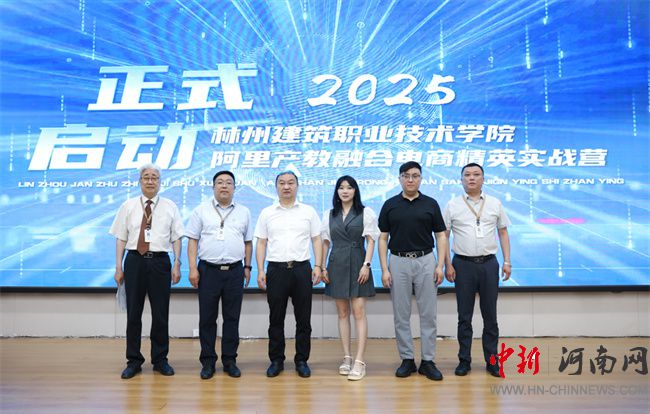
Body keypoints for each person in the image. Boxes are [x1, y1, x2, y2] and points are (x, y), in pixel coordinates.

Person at [109, 163, 184, 379]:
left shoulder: (170, 206)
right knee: (134, 313)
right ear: (140, 181)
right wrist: (118, 266)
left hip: (160, 262)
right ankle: (133, 361)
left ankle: (160, 360)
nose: (150, 181)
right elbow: (121, 238)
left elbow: (177, 237)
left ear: (160, 182)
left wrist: (177, 263)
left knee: (161, 314)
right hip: (135, 261)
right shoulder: (128, 205)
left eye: (154, 178)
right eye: (146, 177)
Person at [378, 161, 448, 381]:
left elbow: (441, 236)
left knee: (429, 314)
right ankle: (407, 359)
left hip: (426, 260)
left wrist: (440, 265)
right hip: (398, 262)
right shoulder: (390, 204)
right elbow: (383, 238)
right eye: (406, 175)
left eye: (415, 176)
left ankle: (428, 361)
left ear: (421, 178)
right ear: (400, 178)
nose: (410, 179)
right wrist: (384, 269)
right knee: (401, 314)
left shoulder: (431, 204)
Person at [443, 163, 512, 378]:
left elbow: (503, 232)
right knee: (464, 317)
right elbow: (444, 236)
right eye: (467, 175)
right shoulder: (452, 205)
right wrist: (447, 264)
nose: (471, 178)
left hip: (489, 264)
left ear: (483, 179)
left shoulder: (494, 203)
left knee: (490, 316)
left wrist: (507, 261)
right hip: (462, 265)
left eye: (476, 175)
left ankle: (492, 361)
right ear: (461, 179)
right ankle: (464, 361)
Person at [185, 170, 253, 379]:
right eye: (220, 182)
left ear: (234, 188)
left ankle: (230, 360)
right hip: (208, 271)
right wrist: (193, 268)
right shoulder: (201, 211)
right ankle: (208, 362)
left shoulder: (244, 212)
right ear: (213, 187)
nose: (224, 186)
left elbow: (248, 242)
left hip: (234, 271)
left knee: (232, 318)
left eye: (229, 183)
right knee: (207, 318)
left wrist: (247, 267)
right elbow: (193, 240)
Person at [254, 171, 323, 378]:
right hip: (276, 270)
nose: (286, 187)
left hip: (302, 269)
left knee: (304, 319)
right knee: (276, 318)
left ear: (297, 186)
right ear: (276, 187)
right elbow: (261, 242)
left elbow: (317, 239)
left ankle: (301, 360)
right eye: (282, 183)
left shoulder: (308, 211)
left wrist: (318, 266)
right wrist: (260, 269)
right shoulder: (267, 212)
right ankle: (276, 360)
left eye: (291, 183)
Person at [321, 175, 379, 381]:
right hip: (336, 263)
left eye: (349, 187)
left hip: (358, 263)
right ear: (337, 191)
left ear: (355, 191)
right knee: (343, 313)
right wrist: (322, 267)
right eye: (341, 187)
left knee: (359, 312)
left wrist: (367, 265)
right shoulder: (329, 214)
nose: (345, 191)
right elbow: (325, 242)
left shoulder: (365, 212)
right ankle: (347, 357)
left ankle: (360, 361)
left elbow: (371, 241)